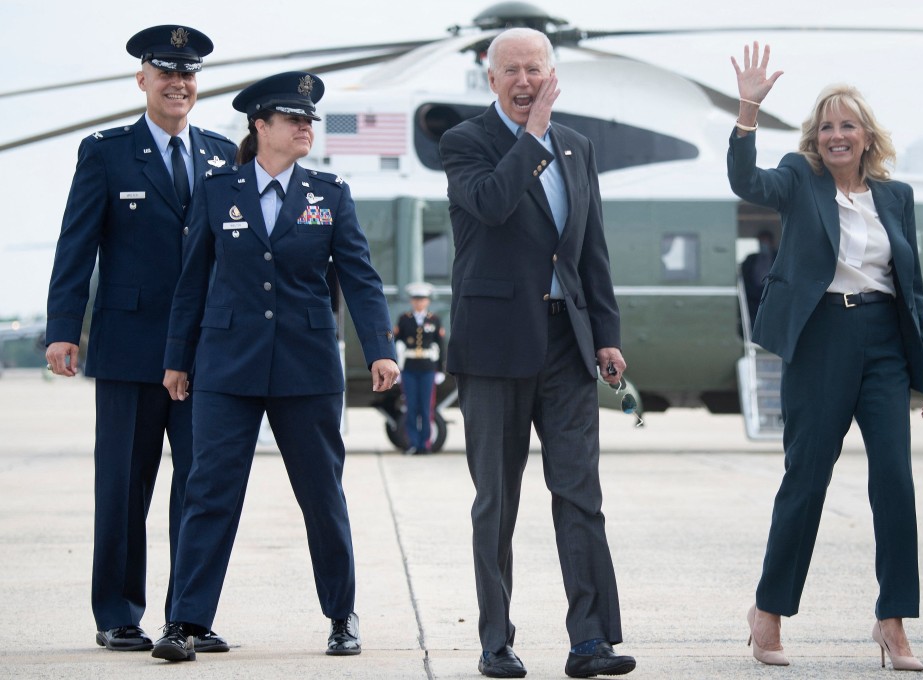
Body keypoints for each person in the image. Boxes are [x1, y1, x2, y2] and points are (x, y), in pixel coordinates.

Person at [153, 71, 399, 662]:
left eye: (309, 120)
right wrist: (176, 361)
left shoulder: (329, 192)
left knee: (321, 495)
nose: (305, 128)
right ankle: (185, 621)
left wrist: (381, 348)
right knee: (208, 492)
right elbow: (191, 285)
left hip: (307, 367)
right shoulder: (217, 190)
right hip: (226, 366)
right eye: (293, 119)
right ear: (260, 127)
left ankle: (342, 616)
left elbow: (360, 280)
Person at [728, 43, 923, 670]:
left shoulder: (896, 195)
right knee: (807, 480)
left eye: (847, 124)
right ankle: (768, 611)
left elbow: (913, 285)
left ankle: (893, 622)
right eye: (826, 126)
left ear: (866, 135)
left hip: (884, 345)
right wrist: (748, 110)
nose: (835, 134)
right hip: (821, 338)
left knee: (896, 484)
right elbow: (747, 181)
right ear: (814, 139)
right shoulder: (800, 180)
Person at [439, 27, 636, 680]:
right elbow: (493, 205)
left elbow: (591, 252)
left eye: (536, 69)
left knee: (580, 495)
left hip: (566, 344)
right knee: (497, 500)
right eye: (513, 71)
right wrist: (532, 134)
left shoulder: (578, 148)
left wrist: (605, 334)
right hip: (494, 348)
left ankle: (592, 642)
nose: (525, 81)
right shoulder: (465, 143)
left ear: (553, 73)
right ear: (490, 79)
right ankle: (496, 642)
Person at [43, 25, 237, 654]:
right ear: (143, 79)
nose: (179, 83)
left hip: (203, 354)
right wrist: (62, 330)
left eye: (188, 74)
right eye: (166, 72)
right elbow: (76, 245)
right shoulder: (107, 152)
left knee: (200, 486)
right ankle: (119, 613)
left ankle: (188, 616)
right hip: (129, 347)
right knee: (125, 486)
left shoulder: (220, 153)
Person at [393, 281, 446, 455]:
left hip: (428, 368)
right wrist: (397, 369)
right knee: (411, 407)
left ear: (427, 301)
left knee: (426, 408)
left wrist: (440, 370)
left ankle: (425, 443)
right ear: (411, 301)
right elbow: (397, 344)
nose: (419, 302)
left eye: (422, 299)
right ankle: (413, 443)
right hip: (409, 368)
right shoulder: (404, 319)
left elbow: (440, 346)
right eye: (416, 299)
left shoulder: (434, 320)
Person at [740, 229, 777, 331]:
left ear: (772, 242)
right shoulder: (750, 259)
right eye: (761, 242)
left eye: (765, 242)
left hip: (774, 299)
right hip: (753, 299)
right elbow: (744, 278)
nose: (763, 244)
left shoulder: (780, 257)